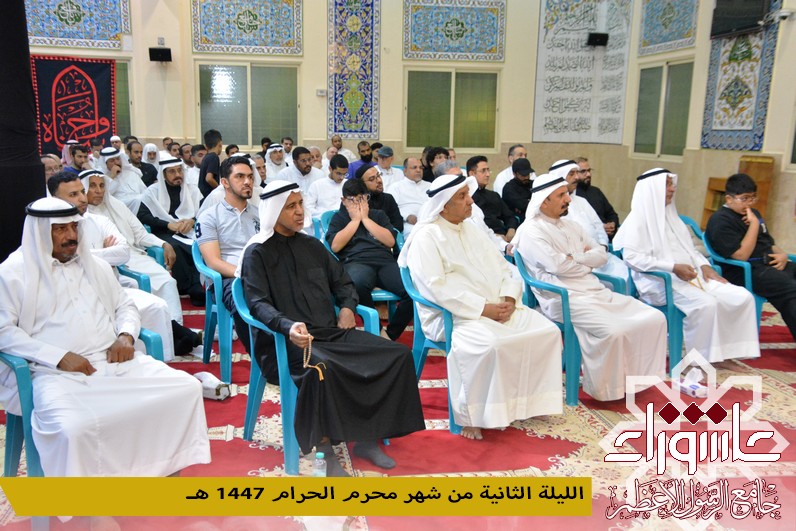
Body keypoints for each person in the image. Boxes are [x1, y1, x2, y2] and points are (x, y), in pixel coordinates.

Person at [0, 197, 211, 478]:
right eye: (60, 229)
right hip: (53, 374)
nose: (71, 236)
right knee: (74, 427)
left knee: (185, 389)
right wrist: (59, 357)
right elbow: (3, 331)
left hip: (114, 361)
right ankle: (93, 500)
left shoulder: (94, 264)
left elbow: (125, 306)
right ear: (39, 233)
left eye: (74, 227)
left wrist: (126, 335)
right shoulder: (13, 273)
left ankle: (162, 476)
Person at [240, 181, 425, 475]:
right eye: (291, 207)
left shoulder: (312, 246)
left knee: (396, 355)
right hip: (287, 343)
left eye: (300, 204)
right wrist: (287, 326)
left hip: (330, 333)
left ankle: (368, 438)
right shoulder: (257, 253)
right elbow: (257, 303)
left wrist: (348, 307)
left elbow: (343, 282)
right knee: (323, 369)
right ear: (273, 211)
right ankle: (324, 450)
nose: (300, 212)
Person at [400, 173, 563, 440]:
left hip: (498, 306)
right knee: (490, 345)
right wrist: (483, 309)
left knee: (547, 332)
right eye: (462, 196)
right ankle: (473, 417)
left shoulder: (472, 229)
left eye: (468, 195)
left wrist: (509, 298)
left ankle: (530, 404)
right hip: (454, 316)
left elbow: (504, 268)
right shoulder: (427, 237)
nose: (471, 201)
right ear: (443, 205)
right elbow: (435, 288)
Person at [512, 173, 667, 401]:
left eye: (567, 194)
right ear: (544, 201)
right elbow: (556, 265)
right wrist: (583, 261)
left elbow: (601, 255)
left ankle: (634, 380)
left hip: (594, 290)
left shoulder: (572, 226)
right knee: (614, 331)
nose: (568, 199)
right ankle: (609, 389)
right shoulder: (531, 231)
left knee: (654, 318)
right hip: (562, 298)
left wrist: (574, 258)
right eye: (561, 195)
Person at [613, 168, 760, 362]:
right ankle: (697, 363)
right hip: (660, 283)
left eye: (672, 184)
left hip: (693, 277)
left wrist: (704, 265)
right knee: (706, 305)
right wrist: (673, 267)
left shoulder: (673, 218)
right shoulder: (636, 221)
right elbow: (633, 259)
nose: (672, 189)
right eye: (667, 185)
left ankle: (725, 356)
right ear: (652, 189)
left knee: (741, 297)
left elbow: (691, 251)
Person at [48, 171, 183, 361]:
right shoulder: (44, 231)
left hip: (107, 289)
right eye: (74, 194)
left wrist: (86, 255)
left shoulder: (99, 220)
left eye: (81, 192)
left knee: (157, 305)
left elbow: (123, 252)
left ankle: (164, 354)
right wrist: (102, 254)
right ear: (55, 200)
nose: (82, 198)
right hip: (73, 300)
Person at [80, 169, 202, 358]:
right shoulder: (82, 217)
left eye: (102, 185)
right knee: (136, 287)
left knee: (167, 281)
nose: (98, 190)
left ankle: (172, 333)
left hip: (134, 255)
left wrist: (163, 244)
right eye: (92, 186)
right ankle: (174, 338)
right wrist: (110, 252)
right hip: (110, 265)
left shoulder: (116, 205)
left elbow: (140, 234)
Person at [705, 172, 796, 340]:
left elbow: (769, 243)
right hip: (743, 271)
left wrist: (782, 255)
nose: (749, 203)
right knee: (789, 288)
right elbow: (741, 256)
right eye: (744, 198)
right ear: (729, 199)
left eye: (752, 198)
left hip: (767, 264)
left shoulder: (754, 213)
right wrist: (754, 225)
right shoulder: (720, 220)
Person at [325, 178, 413, 340]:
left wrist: (365, 219)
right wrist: (355, 221)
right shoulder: (339, 218)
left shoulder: (378, 215)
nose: (357, 204)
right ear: (343, 201)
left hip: (384, 261)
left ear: (367, 198)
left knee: (412, 289)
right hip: (356, 262)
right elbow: (335, 246)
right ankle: (378, 331)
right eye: (352, 200)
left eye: (361, 199)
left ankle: (390, 335)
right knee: (355, 285)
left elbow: (390, 241)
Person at [197, 157, 260, 353]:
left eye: (250, 177)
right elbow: (213, 262)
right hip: (228, 279)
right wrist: (245, 274)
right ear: (224, 182)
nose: (247, 182)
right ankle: (262, 358)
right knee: (247, 296)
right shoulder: (209, 216)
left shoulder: (260, 214)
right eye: (240, 177)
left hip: (260, 274)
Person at [138, 157, 204, 306]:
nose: (177, 174)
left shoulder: (193, 190)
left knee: (198, 244)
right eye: (172, 171)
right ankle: (189, 287)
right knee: (175, 246)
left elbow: (204, 212)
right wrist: (168, 224)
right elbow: (142, 215)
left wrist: (192, 220)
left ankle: (197, 284)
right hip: (163, 231)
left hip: (188, 229)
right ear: (163, 174)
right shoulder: (152, 192)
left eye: (179, 170)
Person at [549, 160, 627, 280]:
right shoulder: (553, 208)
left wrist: (603, 246)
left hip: (600, 255)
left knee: (627, 274)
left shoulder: (582, 201)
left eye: (576, 173)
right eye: (571, 174)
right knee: (617, 281)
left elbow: (598, 227)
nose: (576, 177)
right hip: (577, 263)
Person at [468, 156, 518, 242]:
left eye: (488, 170)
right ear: (472, 173)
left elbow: (509, 216)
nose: (488, 174)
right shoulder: (468, 198)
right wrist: (494, 237)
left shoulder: (494, 195)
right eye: (483, 171)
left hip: (505, 238)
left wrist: (511, 229)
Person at [574, 157, 620, 241]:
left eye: (589, 170)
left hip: (608, 238)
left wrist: (612, 224)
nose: (588, 174)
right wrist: (601, 228)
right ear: (574, 174)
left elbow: (612, 214)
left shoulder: (596, 191)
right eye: (583, 171)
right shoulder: (572, 196)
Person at [386, 157, 430, 235]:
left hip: (429, 221)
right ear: (405, 171)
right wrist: (406, 216)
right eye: (414, 167)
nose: (418, 170)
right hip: (409, 224)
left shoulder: (430, 186)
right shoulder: (396, 187)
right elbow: (390, 209)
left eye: (421, 168)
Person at [100, 145, 147, 214]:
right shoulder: (102, 177)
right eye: (112, 160)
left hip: (141, 204)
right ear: (105, 164)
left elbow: (144, 190)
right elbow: (105, 196)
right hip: (120, 207)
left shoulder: (131, 172)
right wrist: (112, 177)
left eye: (118, 159)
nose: (117, 162)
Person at [357, 164, 403, 232]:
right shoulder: (358, 202)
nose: (379, 180)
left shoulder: (388, 198)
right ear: (362, 184)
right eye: (372, 179)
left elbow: (398, 225)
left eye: (378, 175)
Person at [305, 154, 347, 219]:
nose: (342, 177)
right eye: (338, 173)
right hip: (322, 220)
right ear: (330, 169)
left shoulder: (348, 184)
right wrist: (326, 215)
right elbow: (308, 208)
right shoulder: (317, 185)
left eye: (344, 174)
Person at [501, 158, 535, 222]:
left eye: (528, 174)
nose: (526, 177)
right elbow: (523, 205)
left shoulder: (534, 184)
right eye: (523, 175)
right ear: (514, 174)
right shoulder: (509, 188)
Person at [198, 129, 223, 198]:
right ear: (220, 143)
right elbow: (209, 178)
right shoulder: (214, 157)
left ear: (206, 146)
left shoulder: (206, 157)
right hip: (210, 195)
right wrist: (220, 190)